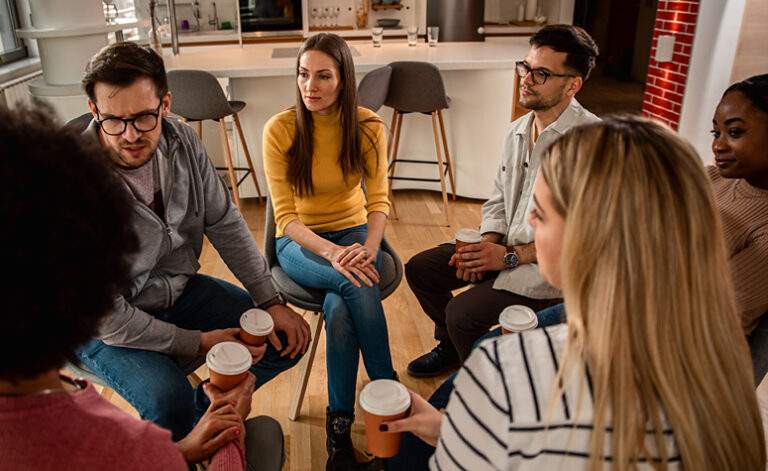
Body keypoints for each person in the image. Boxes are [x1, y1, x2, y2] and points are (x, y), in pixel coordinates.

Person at [382, 115, 766, 470]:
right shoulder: (728, 396)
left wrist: (465, 430)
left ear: (591, 237)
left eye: (542, 214)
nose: (530, 219)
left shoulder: (506, 367)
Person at [0, 105, 284, 471]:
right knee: (176, 404)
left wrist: (184, 449)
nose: (130, 134)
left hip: (174, 305)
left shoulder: (116, 442)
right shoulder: (119, 442)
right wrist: (226, 429)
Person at [76, 41, 311, 441]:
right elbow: (107, 319)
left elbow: (223, 221)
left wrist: (269, 300)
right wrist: (197, 342)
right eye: (113, 120)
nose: (130, 135)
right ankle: (189, 433)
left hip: (178, 292)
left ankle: (196, 430)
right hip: (100, 324)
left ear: (165, 103)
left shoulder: (183, 140)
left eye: (144, 118)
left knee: (282, 341)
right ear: (95, 110)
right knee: (169, 399)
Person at [405, 24, 599, 376]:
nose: (526, 79)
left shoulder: (592, 144)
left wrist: (508, 257)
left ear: (573, 85)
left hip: (547, 273)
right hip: (505, 250)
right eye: (525, 67)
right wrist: (487, 245)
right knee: (421, 269)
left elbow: (584, 239)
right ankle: (452, 346)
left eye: (541, 73)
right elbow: (498, 200)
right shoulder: (518, 129)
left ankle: (481, 389)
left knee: (461, 314)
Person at [262, 33, 394, 470]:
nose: (310, 86)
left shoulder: (369, 125)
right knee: (352, 281)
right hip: (301, 241)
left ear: (343, 80)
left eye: (323, 76)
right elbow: (285, 218)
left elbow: (378, 200)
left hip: (356, 233)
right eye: (303, 74)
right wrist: (335, 256)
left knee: (340, 308)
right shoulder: (279, 129)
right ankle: (388, 398)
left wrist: (369, 248)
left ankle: (338, 431)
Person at [709, 74, 768, 383]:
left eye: (733, 132)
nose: (717, 145)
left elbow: (718, 311)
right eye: (715, 131)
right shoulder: (713, 178)